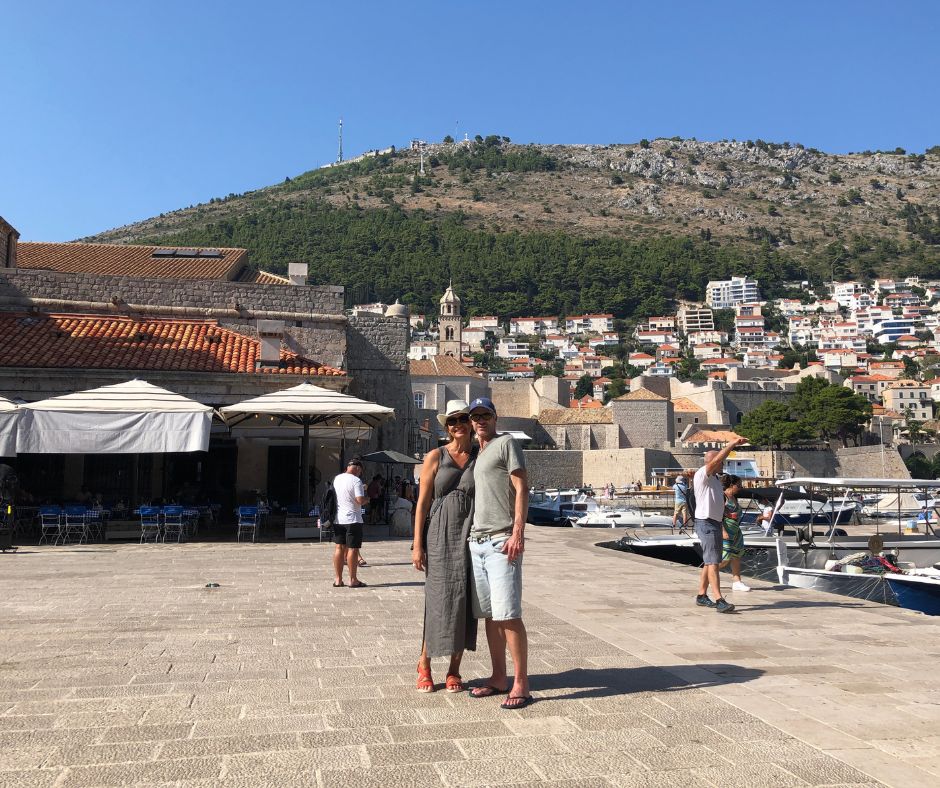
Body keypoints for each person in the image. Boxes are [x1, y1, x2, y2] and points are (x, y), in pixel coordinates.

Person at [466, 396, 532, 710]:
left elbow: (522, 488)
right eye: (475, 416)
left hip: (501, 540)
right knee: (491, 617)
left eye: (485, 415)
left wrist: (518, 531)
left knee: (508, 615)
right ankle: (498, 677)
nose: (480, 420)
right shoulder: (477, 454)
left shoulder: (506, 444)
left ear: (495, 418)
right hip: (477, 542)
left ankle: (521, 683)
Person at [412, 400, 478, 693]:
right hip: (439, 534)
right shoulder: (435, 456)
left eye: (463, 419)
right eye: (452, 421)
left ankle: (454, 669)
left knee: (464, 601)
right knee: (438, 599)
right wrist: (417, 545)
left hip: (470, 532)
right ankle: (424, 663)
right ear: (446, 427)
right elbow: (422, 503)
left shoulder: (481, 454)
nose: (458, 425)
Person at [693, 436, 746, 613]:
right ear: (713, 463)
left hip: (714, 522)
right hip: (706, 522)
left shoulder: (715, 479)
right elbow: (717, 459)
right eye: (720, 462)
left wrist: (723, 517)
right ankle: (719, 599)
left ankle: (701, 595)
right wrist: (731, 444)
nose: (723, 464)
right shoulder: (703, 474)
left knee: (710, 562)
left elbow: (714, 502)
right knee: (713, 561)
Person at [331, 457, 369, 588]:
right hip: (353, 519)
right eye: (360, 471)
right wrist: (367, 498)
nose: (360, 474)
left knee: (339, 547)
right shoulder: (356, 480)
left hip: (338, 519)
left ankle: (338, 579)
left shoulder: (337, 478)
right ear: (358, 469)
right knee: (353, 548)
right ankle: (353, 580)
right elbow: (359, 500)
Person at [719, 474, 750, 592]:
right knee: (725, 558)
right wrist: (723, 531)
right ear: (732, 485)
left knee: (736, 556)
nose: (741, 487)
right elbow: (718, 515)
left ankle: (737, 581)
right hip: (726, 531)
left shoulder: (734, 498)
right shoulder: (723, 497)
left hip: (736, 531)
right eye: (739, 485)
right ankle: (710, 573)